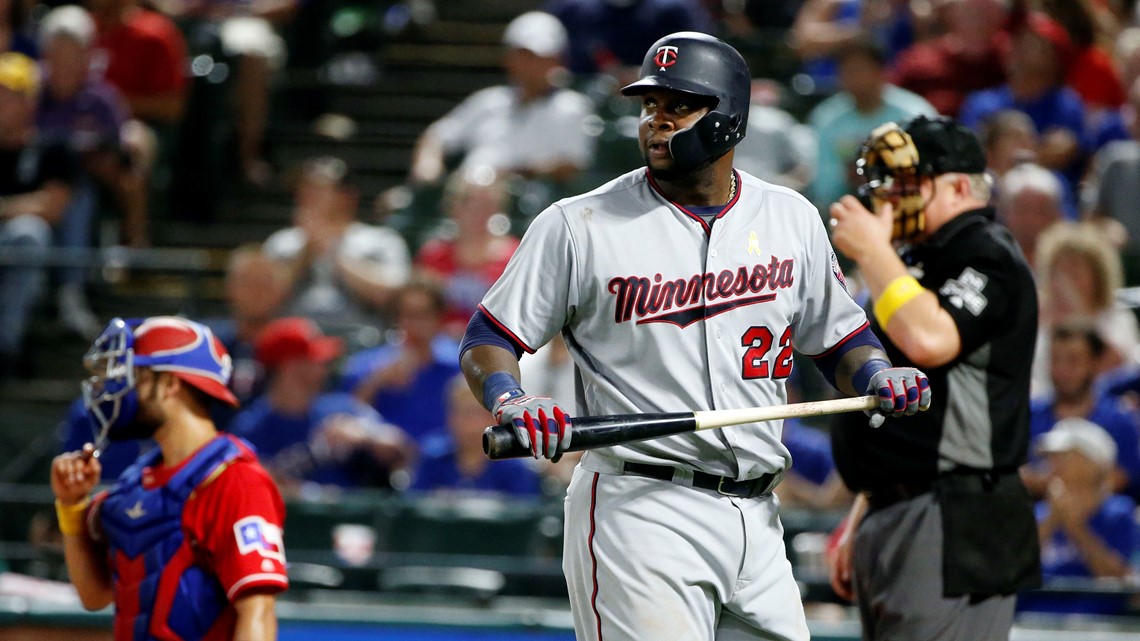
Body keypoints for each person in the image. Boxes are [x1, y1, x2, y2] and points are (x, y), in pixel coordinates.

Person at [459, 32, 930, 641]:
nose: (656, 121)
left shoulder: (790, 217)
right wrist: (509, 397)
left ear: (729, 118)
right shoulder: (579, 224)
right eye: (649, 106)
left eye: (678, 106)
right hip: (640, 505)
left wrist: (875, 374)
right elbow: (487, 337)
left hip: (758, 516)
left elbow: (842, 338)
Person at [828, 115, 1041, 640]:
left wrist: (875, 253)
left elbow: (932, 340)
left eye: (910, 184)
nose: (894, 199)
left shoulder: (986, 250)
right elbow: (892, 401)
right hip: (896, 509)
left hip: (956, 516)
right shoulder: (912, 262)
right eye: (891, 185)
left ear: (961, 186)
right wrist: (863, 512)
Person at [50, 316, 288, 639]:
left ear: (171, 384)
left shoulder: (235, 479)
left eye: (135, 377)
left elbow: (258, 611)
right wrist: (73, 506)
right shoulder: (137, 481)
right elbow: (95, 596)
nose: (118, 391)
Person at [407, 11, 596, 187]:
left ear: (557, 61)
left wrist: (503, 176)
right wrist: (428, 166)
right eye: (523, 55)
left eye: (539, 57)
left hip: (525, 205)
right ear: (509, 59)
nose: (529, 64)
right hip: (465, 198)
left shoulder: (573, 106)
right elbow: (437, 136)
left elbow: (570, 166)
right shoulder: (487, 100)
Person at [230, 317, 412, 494]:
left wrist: (366, 435)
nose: (324, 368)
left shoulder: (341, 408)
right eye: (315, 361)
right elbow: (244, 486)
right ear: (290, 367)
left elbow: (401, 449)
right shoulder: (251, 428)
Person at [0, 51, 83, 378]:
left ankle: (5, 346)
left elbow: (51, 207)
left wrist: (4, 208)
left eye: (14, 95)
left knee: (28, 232)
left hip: (30, 249)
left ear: (32, 101)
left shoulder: (53, 148)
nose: (5, 104)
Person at [263, 156, 411, 332]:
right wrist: (306, 253)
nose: (307, 195)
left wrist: (335, 255)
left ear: (348, 196)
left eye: (319, 189)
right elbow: (260, 301)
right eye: (303, 187)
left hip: (362, 340)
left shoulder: (381, 240)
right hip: (293, 343)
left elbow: (394, 297)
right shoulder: (282, 242)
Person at [1018, 418, 1137, 616]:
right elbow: (1013, 572)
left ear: (1093, 463)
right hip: (1030, 620)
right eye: (1051, 457)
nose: (1052, 463)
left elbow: (1118, 581)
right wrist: (1052, 519)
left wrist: (1075, 528)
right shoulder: (1037, 513)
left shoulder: (1119, 513)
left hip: (1098, 627)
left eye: (1064, 456)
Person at [807, 37, 936, 212]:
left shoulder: (914, 113)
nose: (852, 77)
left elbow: (930, 171)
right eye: (846, 70)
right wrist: (849, 178)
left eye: (859, 70)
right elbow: (823, 186)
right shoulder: (826, 117)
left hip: (907, 208)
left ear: (881, 71)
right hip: (845, 210)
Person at [1023, 321, 1140, 501]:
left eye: (1073, 360)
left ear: (1095, 363)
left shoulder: (1120, 420)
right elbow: (1014, 474)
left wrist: (1048, 483)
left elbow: (1123, 477)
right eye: (1056, 359)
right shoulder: (1028, 416)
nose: (1063, 370)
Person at [340, 279, 461, 445]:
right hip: (383, 460)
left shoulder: (460, 367)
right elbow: (344, 416)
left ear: (439, 318)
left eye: (424, 314)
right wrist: (376, 382)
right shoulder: (368, 364)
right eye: (408, 314)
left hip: (442, 461)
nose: (415, 324)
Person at [410, 374, 543, 497]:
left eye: (481, 414)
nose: (473, 424)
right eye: (465, 413)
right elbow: (411, 509)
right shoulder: (432, 460)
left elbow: (525, 515)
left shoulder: (515, 469)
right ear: (450, 417)